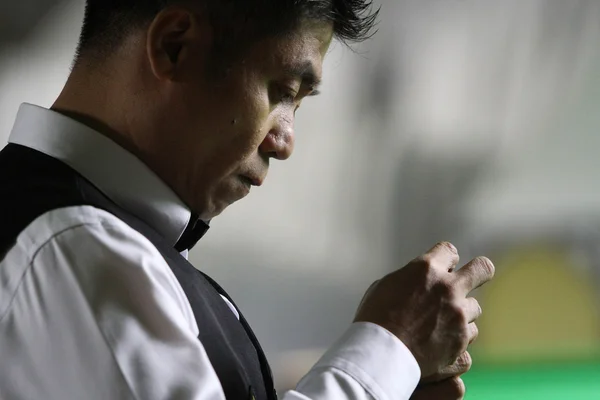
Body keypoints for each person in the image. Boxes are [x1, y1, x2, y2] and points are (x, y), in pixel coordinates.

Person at [0, 1, 494, 399]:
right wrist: (389, 348)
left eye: (297, 105)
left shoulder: (81, 237)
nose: (285, 141)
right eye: (281, 91)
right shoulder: (76, 245)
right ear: (175, 47)